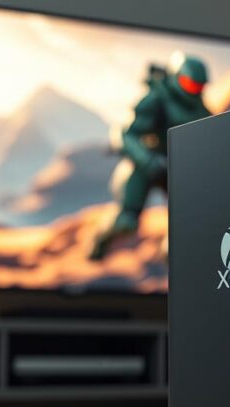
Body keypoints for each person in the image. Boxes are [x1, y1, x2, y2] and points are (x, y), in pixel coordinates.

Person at [90, 52, 211, 260]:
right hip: (145, 165)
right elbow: (125, 134)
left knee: (187, 224)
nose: (193, 91)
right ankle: (100, 242)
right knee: (126, 220)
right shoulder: (156, 98)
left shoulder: (200, 110)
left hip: (176, 169)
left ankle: (173, 265)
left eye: (197, 87)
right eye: (189, 84)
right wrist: (145, 159)